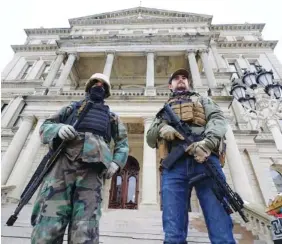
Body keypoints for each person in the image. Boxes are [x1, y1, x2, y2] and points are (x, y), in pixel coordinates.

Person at [31, 73, 129, 244]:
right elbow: (45, 126)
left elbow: (122, 143)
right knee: (49, 221)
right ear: (88, 87)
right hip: (61, 168)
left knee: (86, 227)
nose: (98, 86)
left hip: (92, 171)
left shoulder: (112, 117)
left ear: (106, 92)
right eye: (95, 83)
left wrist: (116, 162)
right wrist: (58, 129)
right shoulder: (71, 108)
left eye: (102, 85)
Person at [146, 68, 236, 244]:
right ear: (170, 85)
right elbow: (150, 138)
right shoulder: (164, 111)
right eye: (176, 78)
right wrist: (162, 129)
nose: (181, 80)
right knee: (173, 233)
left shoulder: (203, 100)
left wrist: (207, 143)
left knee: (221, 229)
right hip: (174, 167)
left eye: (184, 78)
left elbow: (218, 120)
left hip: (205, 160)